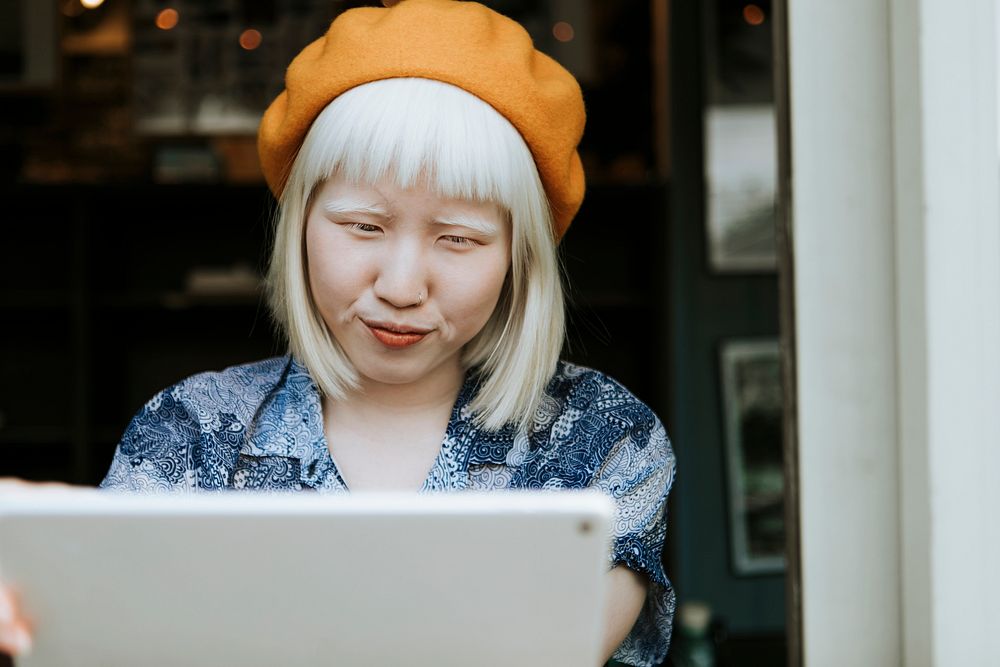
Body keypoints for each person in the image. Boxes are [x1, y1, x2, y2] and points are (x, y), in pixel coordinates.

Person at [0, 1, 676, 664]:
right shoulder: (191, 429)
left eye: (459, 238)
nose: (403, 285)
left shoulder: (603, 439)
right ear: (300, 225)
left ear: (518, 258)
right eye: (364, 226)